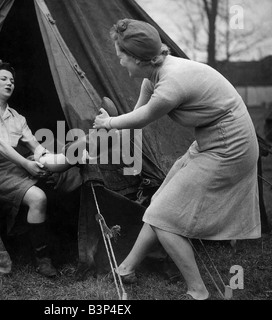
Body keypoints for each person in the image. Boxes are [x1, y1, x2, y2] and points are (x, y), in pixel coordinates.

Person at [94, 19, 261, 300]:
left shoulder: (172, 82)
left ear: (137, 58)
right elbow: (134, 120)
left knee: (165, 220)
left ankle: (198, 291)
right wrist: (106, 131)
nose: (120, 62)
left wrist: (108, 122)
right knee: (162, 203)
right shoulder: (154, 74)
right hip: (210, 142)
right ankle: (126, 268)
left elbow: (143, 117)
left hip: (230, 148)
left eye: (121, 56)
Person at [0, 60, 72, 278]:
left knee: (57, 173)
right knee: (38, 198)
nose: (9, 83)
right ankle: (42, 259)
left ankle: (77, 153)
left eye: (12, 80)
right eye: (3, 79)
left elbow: (36, 147)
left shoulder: (17, 117)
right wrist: (26, 164)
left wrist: (45, 158)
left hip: (13, 162)